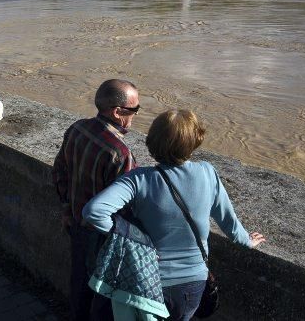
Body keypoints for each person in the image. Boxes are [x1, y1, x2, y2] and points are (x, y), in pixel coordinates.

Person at [82, 109, 266, 321]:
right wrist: (246, 241)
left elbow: (94, 211)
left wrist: (134, 239)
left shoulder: (138, 180)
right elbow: (227, 220)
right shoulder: (207, 172)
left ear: (153, 140)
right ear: (195, 140)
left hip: (148, 281)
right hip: (192, 283)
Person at [52, 79, 139, 321]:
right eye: (135, 110)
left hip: (77, 224)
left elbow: (60, 172)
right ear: (117, 112)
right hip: (104, 236)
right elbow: (129, 207)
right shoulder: (120, 153)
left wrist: (66, 210)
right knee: (104, 298)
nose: (136, 116)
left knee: (79, 284)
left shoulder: (77, 128)